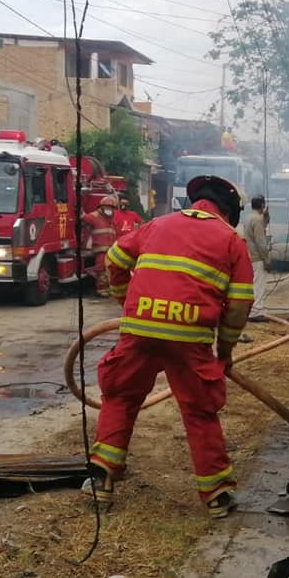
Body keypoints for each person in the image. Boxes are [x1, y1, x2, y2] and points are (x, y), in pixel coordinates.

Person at [87, 175, 254, 519]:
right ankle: (216, 495)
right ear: (228, 212)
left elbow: (114, 261)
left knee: (120, 396)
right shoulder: (231, 240)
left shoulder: (155, 225)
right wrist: (224, 352)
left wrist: (127, 304)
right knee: (198, 410)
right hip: (190, 338)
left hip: (140, 329)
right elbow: (239, 304)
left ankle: (102, 475)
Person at [81, 195, 119, 297]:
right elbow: (83, 217)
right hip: (100, 250)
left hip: (112, 250)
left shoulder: (112, 218)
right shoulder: (94, 216)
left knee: (111, 270)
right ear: (101, 207)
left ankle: (110, 289)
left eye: (111, 208)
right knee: (101, 270)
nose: (109, 210)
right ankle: (102, 290)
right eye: (107, 207)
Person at [240, 195, 270, 317]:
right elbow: (261, 242)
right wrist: (267, 259)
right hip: (257, 257)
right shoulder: (257, 220)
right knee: (259, 285)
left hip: (250, 255)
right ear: (262, 205)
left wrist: (266, 216)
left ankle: (251, 309)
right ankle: (256, 312)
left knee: (253, 284)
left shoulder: (249, 218)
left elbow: (264, 223)